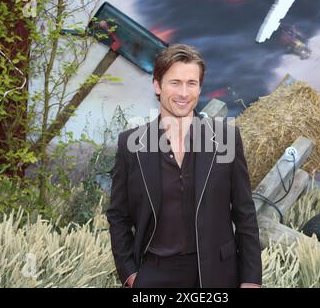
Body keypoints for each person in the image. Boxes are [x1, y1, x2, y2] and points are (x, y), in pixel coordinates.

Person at [106, 44, 262, 288]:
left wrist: (251, 279)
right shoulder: (132, 144)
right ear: (157, 85)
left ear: (200, 88)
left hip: (218, 275)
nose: (183, 93)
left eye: (191, 83)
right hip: (153, 276)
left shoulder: (225, 139)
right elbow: (118, 216)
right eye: (175, 82)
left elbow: (245, 213)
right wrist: (130, 273)